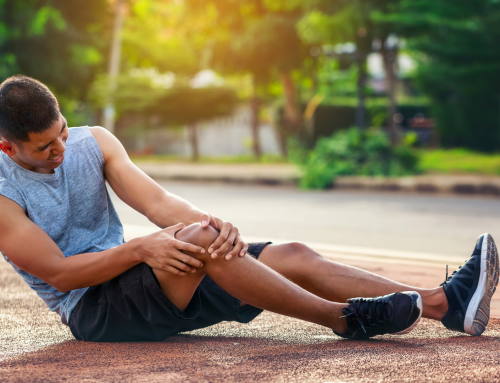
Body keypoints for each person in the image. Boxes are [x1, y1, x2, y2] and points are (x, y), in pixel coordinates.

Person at [0, 75, 497, 342]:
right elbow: (62, 276)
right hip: (95, 310)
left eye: (62, 131)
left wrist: (212, 224)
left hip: (153, 279)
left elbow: (157, 202)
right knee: (190, 241)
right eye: (45, 147)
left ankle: (446, 305)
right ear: (8, 148)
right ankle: (344, 319)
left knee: (293, 254)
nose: (61, 149)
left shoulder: (96, 143)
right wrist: (142, 251)